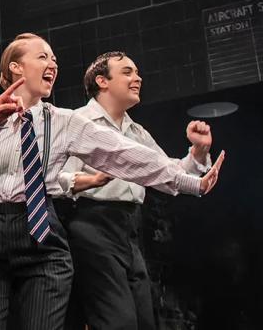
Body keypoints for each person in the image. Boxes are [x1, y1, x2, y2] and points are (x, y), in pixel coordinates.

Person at [0, 33, 225, 330]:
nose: (52, 63)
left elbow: (129, 156)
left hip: (45, 236)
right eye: (42, 57)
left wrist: (193, 182)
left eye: (54, 59)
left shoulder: (65, 122)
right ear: (16, 68)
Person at [57, 52, 218, 330]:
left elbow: (165, 171)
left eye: (137, 72)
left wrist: (198, 153)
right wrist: (91, 179)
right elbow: (55, 178)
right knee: (117, 322)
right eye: (128, 72)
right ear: (102, 81)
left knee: (144, 322)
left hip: (129, 228)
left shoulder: (136, 131)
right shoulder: (77, 122)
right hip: (91, 224)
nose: (138, 78)